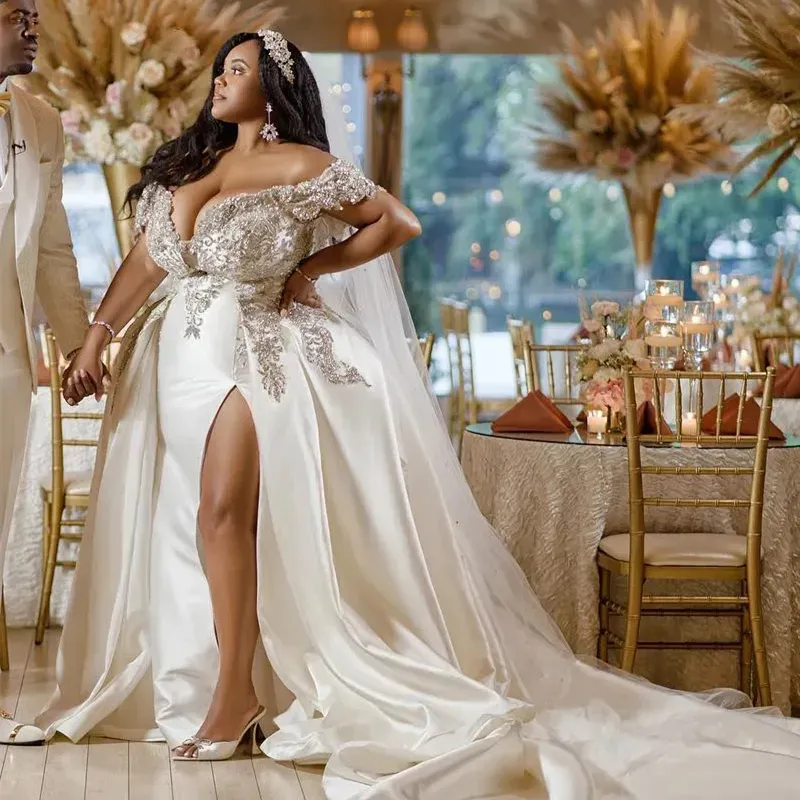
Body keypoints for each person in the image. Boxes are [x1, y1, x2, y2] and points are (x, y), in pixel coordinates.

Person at [37, 29, 800, 799]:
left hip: (250, 347)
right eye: (221, 71)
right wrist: (97, 337)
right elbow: (145, 261)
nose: (221, 81)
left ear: (273, 88)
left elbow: (396, 220)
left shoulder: (301, 165)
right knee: (189, 524)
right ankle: (223, 675)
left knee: (220, 511)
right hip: (176, 357)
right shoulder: (190, 164)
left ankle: (235, 691)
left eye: (238, 70)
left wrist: (311, 267)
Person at [0, 0, 88, 746]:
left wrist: (78, 343)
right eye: (14, 14)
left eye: (34, 15)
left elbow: (53, 249)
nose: (32, 28)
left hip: (5, 359)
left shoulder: (42, 122)